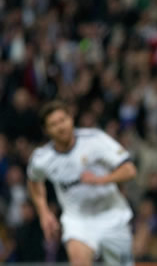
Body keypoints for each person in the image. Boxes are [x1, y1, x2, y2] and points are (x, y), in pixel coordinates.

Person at [27, 100, 137, 266]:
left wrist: (100, 180)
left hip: (112, 215)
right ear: (46, 130)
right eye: (53, 124)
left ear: (71, 119)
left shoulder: (95, 139)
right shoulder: (42, 158)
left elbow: (129, 170)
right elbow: (34, 181)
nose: (61, 127)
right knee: (78, 261)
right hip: (77, 220)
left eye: (63, 120)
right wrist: (43, 212)